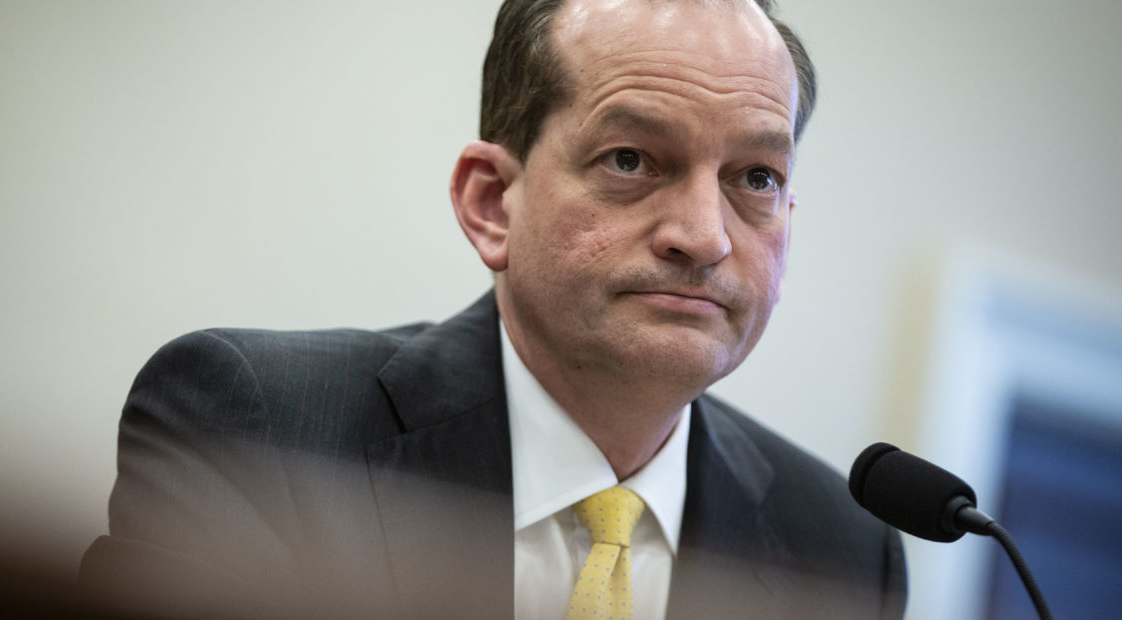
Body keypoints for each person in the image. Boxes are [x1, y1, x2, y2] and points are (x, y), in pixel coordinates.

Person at [81, 0, 906, 618]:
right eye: (631, 159)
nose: (703, 236)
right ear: (492, 204)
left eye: (756, 178)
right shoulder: (256, 428)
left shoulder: (842, 548)